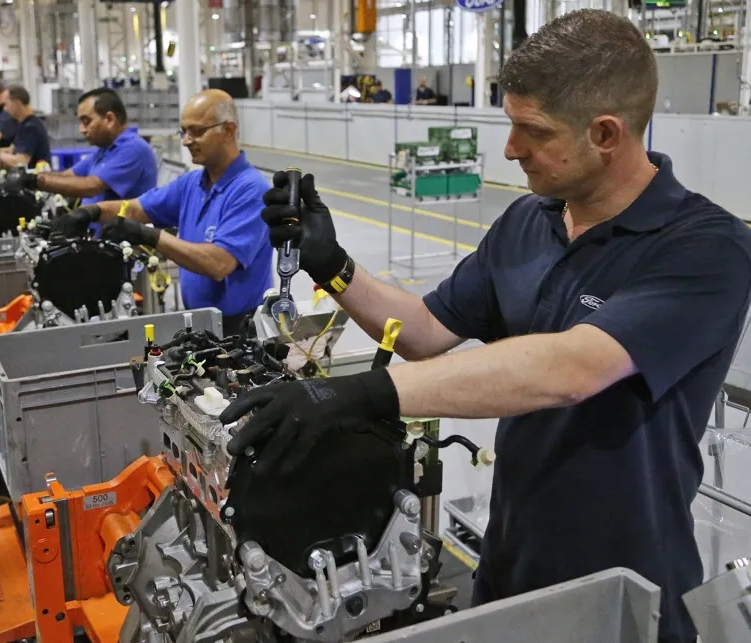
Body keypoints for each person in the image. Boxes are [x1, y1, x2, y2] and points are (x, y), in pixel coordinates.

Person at [220, 10, 751, 643]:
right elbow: (422, 331)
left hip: (621, 594)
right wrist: (331, 265)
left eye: (532, 130)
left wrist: (362, 394)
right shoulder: (529, 221)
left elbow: (573, 369)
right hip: (508, 565)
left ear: (605, 133)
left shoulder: (705, 248)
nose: (509, 149)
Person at [51, 90, 272, 335]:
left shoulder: (251, 190)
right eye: (184, 131)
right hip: (202, 325)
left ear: (228, 130)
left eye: (197, 132)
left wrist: (150, 236)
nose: (186, 141)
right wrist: (90, 212)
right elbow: (135, 208)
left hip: (241, 331)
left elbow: (219, 264)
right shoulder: (191, 183)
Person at [18, 88, 157, 203]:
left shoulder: (133, 148)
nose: (81, 130)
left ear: (109, 119)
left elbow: (91, 187)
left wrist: (37, 182)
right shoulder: (105, 149)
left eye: (86, 121)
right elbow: (69, 175)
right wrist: (27, 177)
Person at [0, 85, 51, 169]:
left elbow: (21, 162)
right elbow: (14, 149)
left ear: (16, 103)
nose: (5, 109)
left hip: (34, 179)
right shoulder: (22, 125)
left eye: (6, 104)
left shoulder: (31, 127)